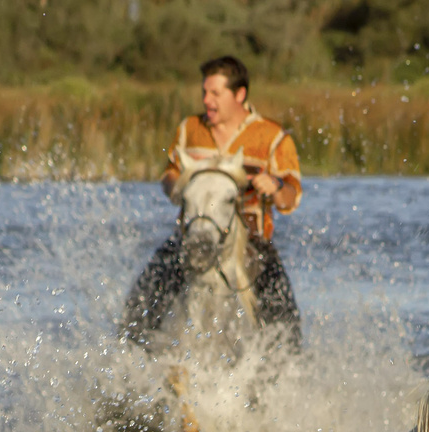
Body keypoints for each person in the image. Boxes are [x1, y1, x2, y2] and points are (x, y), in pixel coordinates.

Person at [123, 55, 301, 347]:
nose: (207, 100)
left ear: (239, 95)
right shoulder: (190, 129)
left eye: (215, 93)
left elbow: (291, 198)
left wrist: (275, 185)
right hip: (192, 237)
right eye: (205, 92)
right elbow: (169, 174)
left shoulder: (272, 137)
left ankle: (286, 368)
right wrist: (177, 185)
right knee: (143, 297)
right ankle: (129, 356)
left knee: (286, 321)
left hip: (251, 245)